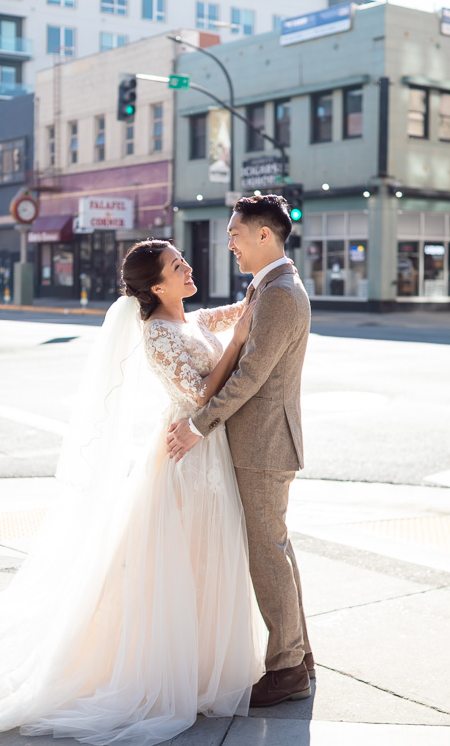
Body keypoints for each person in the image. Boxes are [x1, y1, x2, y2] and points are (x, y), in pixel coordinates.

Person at [0, 239, 266, 745]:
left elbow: (230, 314)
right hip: (184, 456)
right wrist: (236, 342)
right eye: (177, 266)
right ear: (156, 287)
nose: (188, 267)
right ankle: (169, 669)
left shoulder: (187, 319)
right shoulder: (157, 335)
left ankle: (203, 662)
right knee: (181, 559)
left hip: (206, 453)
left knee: (206, 556)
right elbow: (200, 396)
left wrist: (265, 280)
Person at [167, 194, 315, 707]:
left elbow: (250, 377)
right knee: (277, 550)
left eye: (235, 233)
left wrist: (197, 427)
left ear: (263, 235)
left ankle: (288, 669)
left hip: (264, 444)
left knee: (266, 555)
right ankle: (297, 653)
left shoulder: (278, 294)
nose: (228, 241)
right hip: (264, 441)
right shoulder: (268, 286)